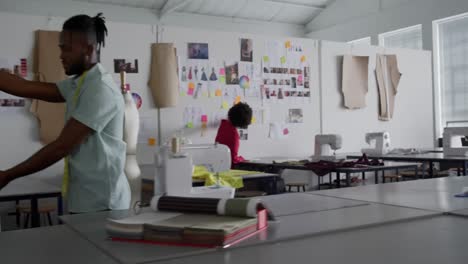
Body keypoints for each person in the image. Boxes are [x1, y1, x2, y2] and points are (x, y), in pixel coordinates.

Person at [0, 13, 130, 213]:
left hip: (103, 203)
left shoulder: (100, 89)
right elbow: (27, 88)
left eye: (66, 49)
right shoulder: (80, 83)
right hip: (85, 198)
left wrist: (8, 175)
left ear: (88, 48)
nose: (61, 55)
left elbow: (62, 147)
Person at [215, 102, 252, 167]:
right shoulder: (234, 135)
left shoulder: (223, 125)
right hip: (227, 167)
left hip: (217, 163)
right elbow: (233, 159)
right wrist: (242, 159)